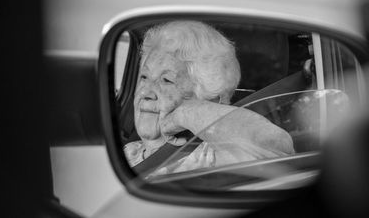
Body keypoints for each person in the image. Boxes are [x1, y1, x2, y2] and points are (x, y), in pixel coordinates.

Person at [124, 20, 294, 173]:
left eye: (166, 80)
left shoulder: (210, 157)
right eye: (144, 77)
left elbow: (279, 151)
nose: (145, 92)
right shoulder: (128, 151)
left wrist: (184, 114)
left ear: (210, 101)